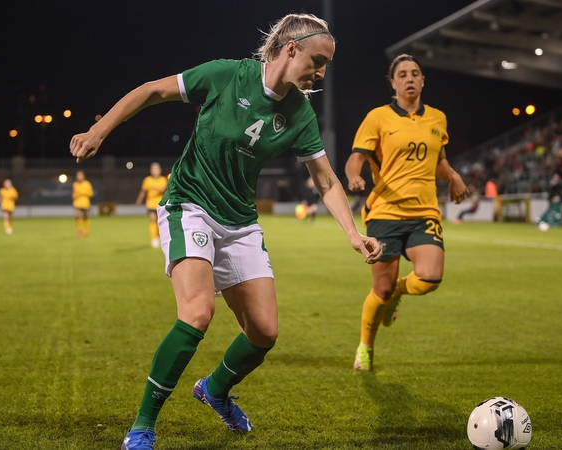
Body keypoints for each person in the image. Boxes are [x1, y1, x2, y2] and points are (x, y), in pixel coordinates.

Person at [68, 13, 381, 449]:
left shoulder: (299, 111)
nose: (321, 71)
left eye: (326, 63)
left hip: (240, 220)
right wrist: (99, 130)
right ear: (290, 48)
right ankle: (142, 425)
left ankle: (213, 390)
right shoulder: (226, 75)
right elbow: (152, 90)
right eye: (317, 59)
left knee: (264, 332)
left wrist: (352, 231)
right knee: (197, 313)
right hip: (189, 204)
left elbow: (326, 180)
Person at [345, 53, 469, 371]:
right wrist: (354, 175)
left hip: (424, 210)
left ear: (423, 80)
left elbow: (439, 162)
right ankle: (365, 347)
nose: (409, 78)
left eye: (415, 73)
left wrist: (453, 176)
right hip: (385, 212)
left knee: (429, 278)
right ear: (393, 82)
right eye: (402, 74)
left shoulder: (437, 119)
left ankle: (400, 291)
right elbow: (356, 156)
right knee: (381, 289)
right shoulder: (378, 117)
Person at [136, 162, 168, 247]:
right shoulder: (147, 180)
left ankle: (160, 236)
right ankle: (154, 238)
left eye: (157, 169)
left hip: (161, 204)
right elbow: (143, 191)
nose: (155, 171)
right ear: (151, 171)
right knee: (153, 220)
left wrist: (153, 187)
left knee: (160, 222)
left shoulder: (163, 179)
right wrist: (139, 200)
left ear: (160, 170)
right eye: (154, 169)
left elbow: (162, 190)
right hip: (150, 204)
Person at [72, 170, 94, 237]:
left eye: (80, 175)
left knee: (85, 216)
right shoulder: (75, 184)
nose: (79, 177)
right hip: (77, 202)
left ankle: (86, 231)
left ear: (83, 176)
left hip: (85, 202)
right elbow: (74, 194)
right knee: (77, 215)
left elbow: (91, 193)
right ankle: (80, 228)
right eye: (78, 176)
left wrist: (82, 193)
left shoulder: (87, 184)